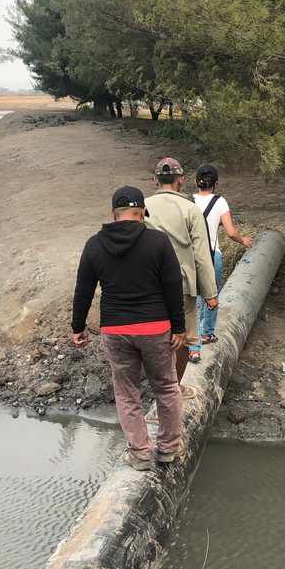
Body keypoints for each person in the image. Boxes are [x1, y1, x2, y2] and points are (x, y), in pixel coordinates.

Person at [71, 186, 187, 470]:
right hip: (156, 328)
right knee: (166, 387)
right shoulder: (159, 242)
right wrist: (179, 328)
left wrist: (78, 326)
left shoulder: (94, 245)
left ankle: (140, 453)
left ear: (113, 214)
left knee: (126, 392)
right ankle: (169, 449)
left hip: (116, 330)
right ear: (143, 211)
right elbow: (173, 286)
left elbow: (83, 290)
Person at [144, 157, 218, 396]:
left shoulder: (141, 207)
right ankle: (173, 388)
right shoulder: (190, 209)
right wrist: (210, 293)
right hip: (183, 284)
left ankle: (159, 387)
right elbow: (201, 254)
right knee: (183, 337)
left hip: (150, 285)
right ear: (181, 181)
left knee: (155, 337)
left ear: (156, 180)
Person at [188, 164, 253, 362]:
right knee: (212, 294)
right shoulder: (220, 202)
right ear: (216, 184)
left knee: (194, 299)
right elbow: (230, 232)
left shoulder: (188, 202)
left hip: (191, 256)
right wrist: (243, 241)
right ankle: (207, 332)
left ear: (196, 182)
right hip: (212, 255)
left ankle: (194, 348)